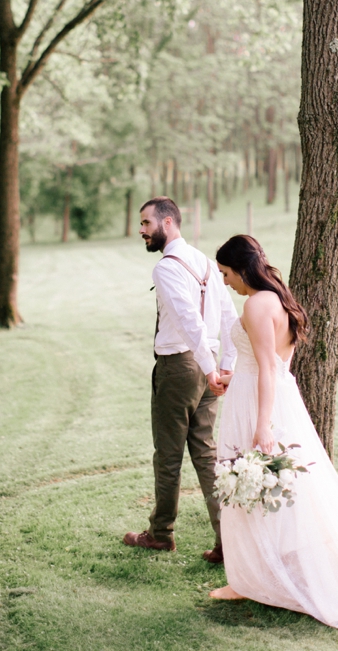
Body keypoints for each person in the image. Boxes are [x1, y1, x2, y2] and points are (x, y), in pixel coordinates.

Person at [210, 234, 338, 629]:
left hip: (260, 405)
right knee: (265, 489)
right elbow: (266, 363)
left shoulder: (256, 304)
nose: (225, 282)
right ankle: (249, 576)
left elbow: (269, 368)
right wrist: (231, 376)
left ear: (240, 269)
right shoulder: (276, 298)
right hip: (266, 395)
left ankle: (252, 579)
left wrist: (261, 426)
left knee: (250, 488)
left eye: (225, 273)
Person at [123, 197, 238, 563]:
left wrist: (209, 367)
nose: (141, 230)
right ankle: (228, 540)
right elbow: (228, 315)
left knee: (169, 456)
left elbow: (190, 321)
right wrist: (225, 366)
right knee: (206, 454)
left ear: (168, 222)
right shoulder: (204, 262)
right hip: (207, 370)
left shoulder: (167, 268)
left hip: (179, 368)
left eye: (146, 223)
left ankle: (161, 534)